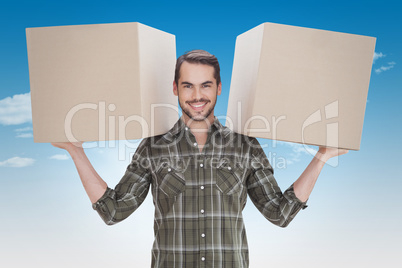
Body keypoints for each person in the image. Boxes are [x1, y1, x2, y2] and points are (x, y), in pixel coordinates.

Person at [52, 50, 348, 267]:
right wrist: (76, 150)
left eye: (206, 85)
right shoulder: (153, 147)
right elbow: (113, 211)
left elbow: (280, 213)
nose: (197, 95)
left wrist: (322, 156)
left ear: (218, 88)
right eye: (188, 85)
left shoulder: (245, 147)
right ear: (175, 89)